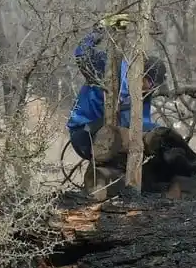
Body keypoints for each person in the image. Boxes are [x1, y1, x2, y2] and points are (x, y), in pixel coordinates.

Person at [66, 14, 167, 171]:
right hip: (84, 133)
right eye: (148, 83)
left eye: (153, 87)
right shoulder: (112, 68)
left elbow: (143, 123)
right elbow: (82, 54)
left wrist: (160, 132)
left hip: (112, 138)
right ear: (140, 72)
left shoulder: (144, 96)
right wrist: (99, 30)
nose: (147, 90)